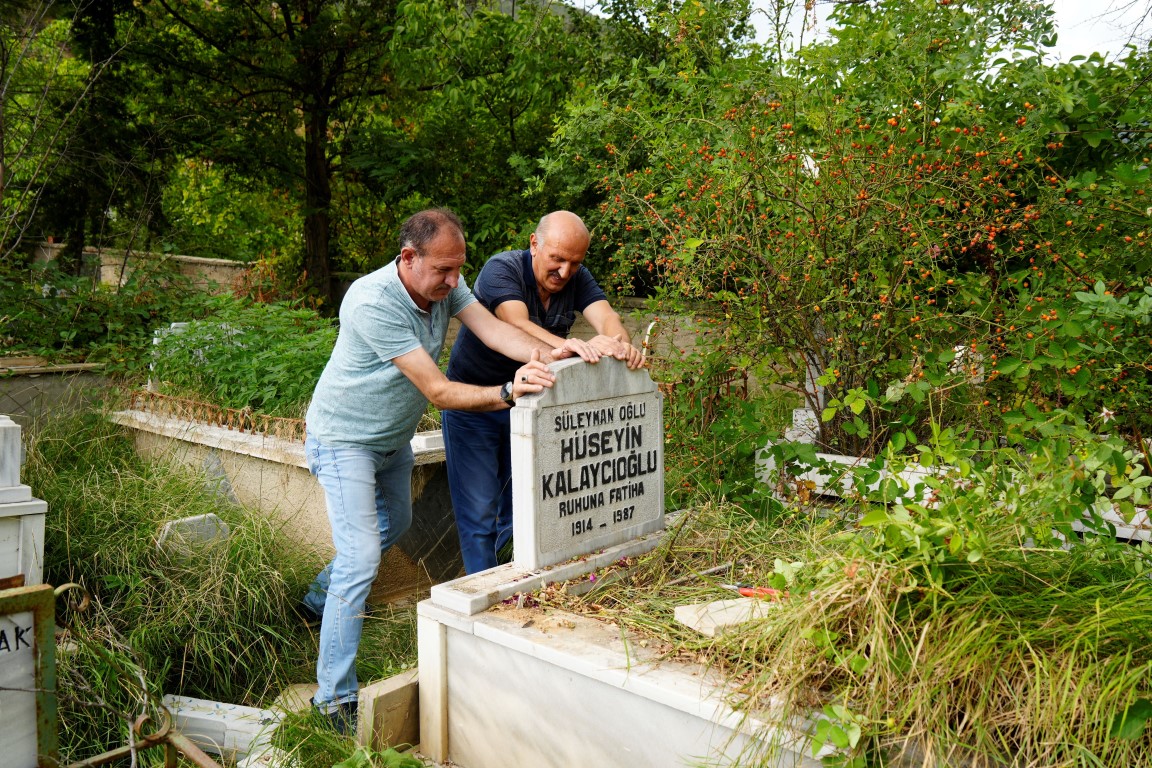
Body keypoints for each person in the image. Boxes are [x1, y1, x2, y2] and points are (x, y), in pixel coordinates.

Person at [301, 208, 597, 733]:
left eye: (459, 269)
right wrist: (507, 391)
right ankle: (333, 701)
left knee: (394, 526)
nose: (455, 281)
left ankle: (318, 597)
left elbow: (493, 331)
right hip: (345, 440)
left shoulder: (446, 285)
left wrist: (553, 351)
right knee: (362, 556)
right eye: (444, 271)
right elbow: (437, 390)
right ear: (408, 258)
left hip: (391, 441)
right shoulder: (373, 301)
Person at [443, 210, 645, 575]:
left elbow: (609, 319)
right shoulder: (501, 269)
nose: (565, 272)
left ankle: (522, 582)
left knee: (528, 508)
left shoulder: (576, 276)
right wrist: (571, 346)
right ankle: (484, 599)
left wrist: (619, 345)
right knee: (479, 515)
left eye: (574, 262)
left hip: (534, 406)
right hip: (476, 404)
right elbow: (514, 323)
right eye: (557, 259)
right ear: (534, 244)